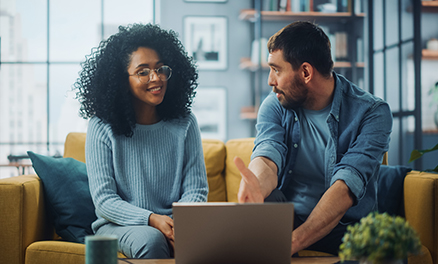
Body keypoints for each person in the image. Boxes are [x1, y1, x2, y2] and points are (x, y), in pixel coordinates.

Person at [234, 21, 393, 256]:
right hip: (288, 217)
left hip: (345, 227)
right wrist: (256, 184)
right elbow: (268, 157)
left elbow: (346, 186)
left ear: (306, 72)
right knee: (268, 202)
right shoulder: (275, 103)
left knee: (387, 252)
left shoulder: (372, 112)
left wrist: (293, 242)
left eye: (276, 70)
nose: (270, 80)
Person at [74, 23, 208, 259]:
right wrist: (151, 219)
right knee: (151, 239)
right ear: (120, 79)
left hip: (174, 222)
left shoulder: (185, 122)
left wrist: (177, 227)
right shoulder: (101, 126)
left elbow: (196, 190)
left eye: (160, 69)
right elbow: (105, 201)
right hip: (118, 225)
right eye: (143, 71)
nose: (156, 78)